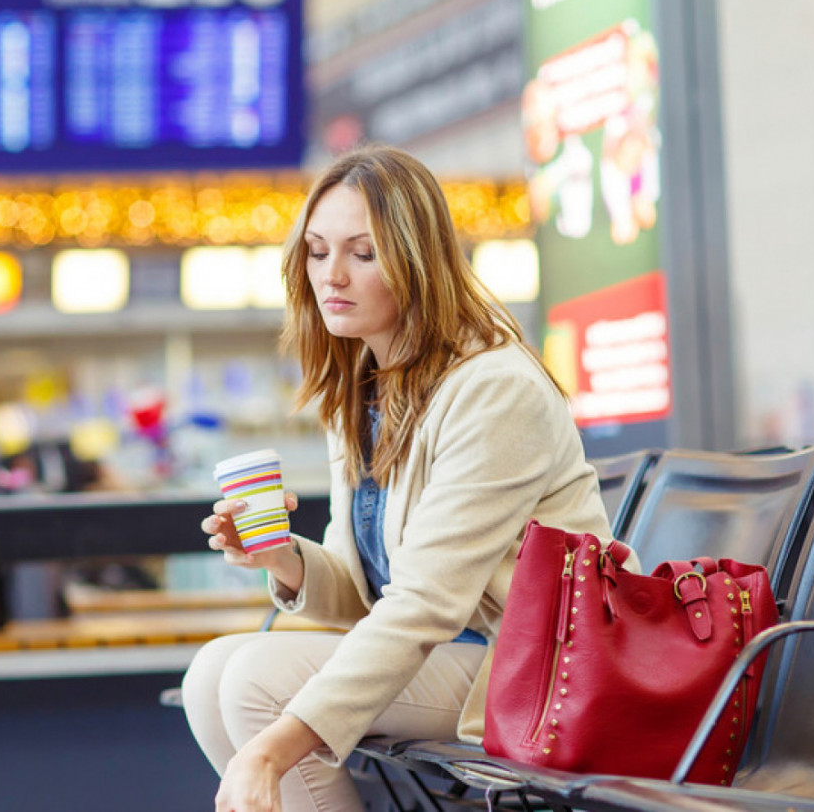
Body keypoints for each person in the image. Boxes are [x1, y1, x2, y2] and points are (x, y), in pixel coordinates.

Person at [181, 146, 626, 812]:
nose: (332, 275)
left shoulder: (493, 388)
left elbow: (424, 605)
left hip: (534, 668)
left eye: (363, 254)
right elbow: (363, 592)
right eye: (317, 251)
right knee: (209, 674)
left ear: (418, 263)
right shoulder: (363, 389)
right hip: (449, 656)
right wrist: (282, 559)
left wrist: (269, 751)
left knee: (252, 682)